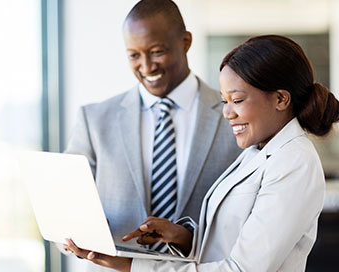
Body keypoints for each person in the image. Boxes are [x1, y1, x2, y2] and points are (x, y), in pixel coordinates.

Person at [64, 34, 339, 271]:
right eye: (224, 101)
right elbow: (231, 239)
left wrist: (132, 265)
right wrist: (184, 236)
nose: (227, 113)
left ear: (281, 99)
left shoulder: (294, 161)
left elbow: (241, 268)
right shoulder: (258, 152)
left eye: (237, 100)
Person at [62, 0, 241, 270]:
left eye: (157, 51)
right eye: (134, 55)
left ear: (185, 42)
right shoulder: (95, 119)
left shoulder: (234, 117)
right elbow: (63, 206)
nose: (147, 66)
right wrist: (75, 230)